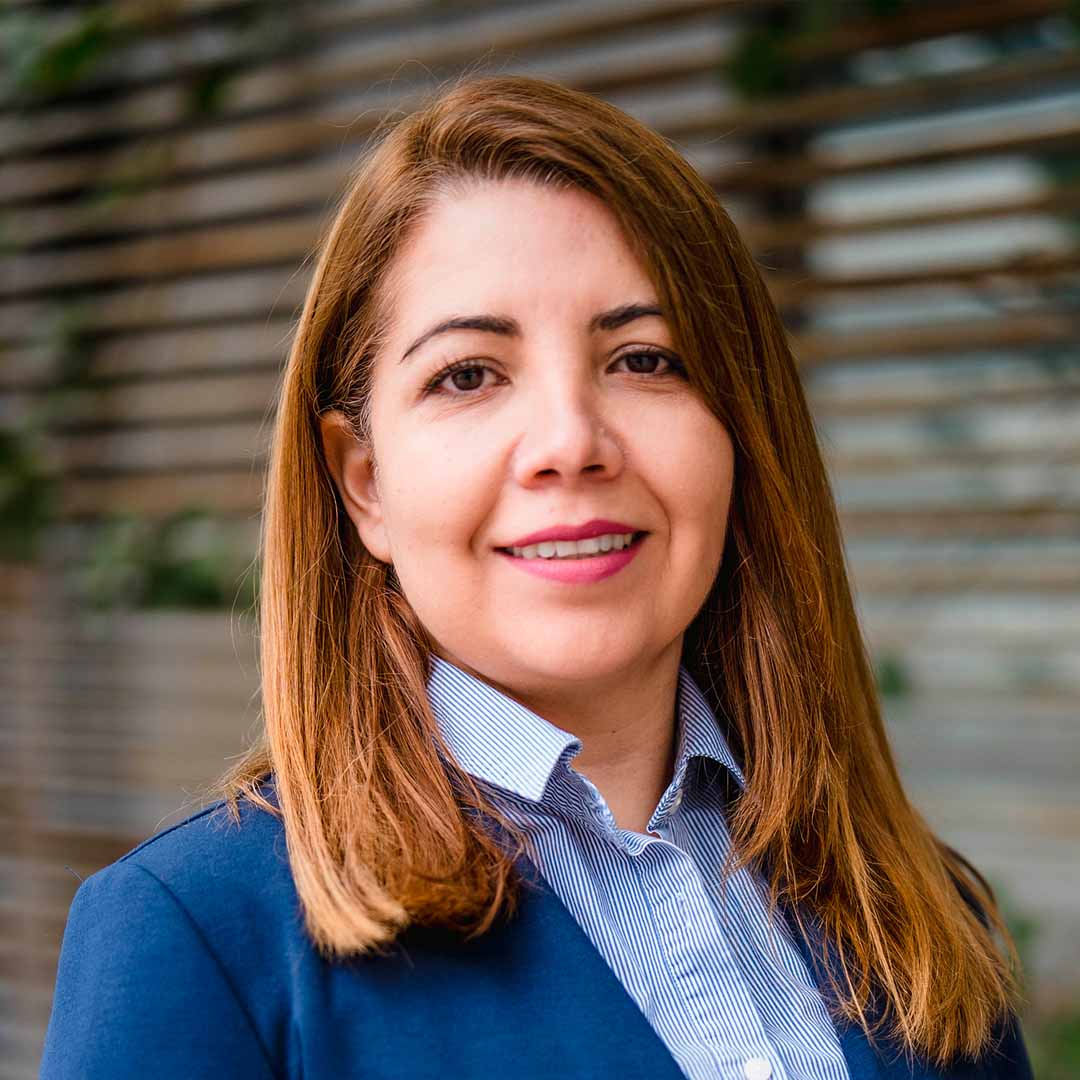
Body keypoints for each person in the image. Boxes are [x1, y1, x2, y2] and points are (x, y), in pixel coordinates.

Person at [40, 72, 1032, 1080]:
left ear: (740, 430)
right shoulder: (198, 941)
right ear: (364, 483)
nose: (570, 443)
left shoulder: (922, 919)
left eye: (644, 359)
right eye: (468, 374)